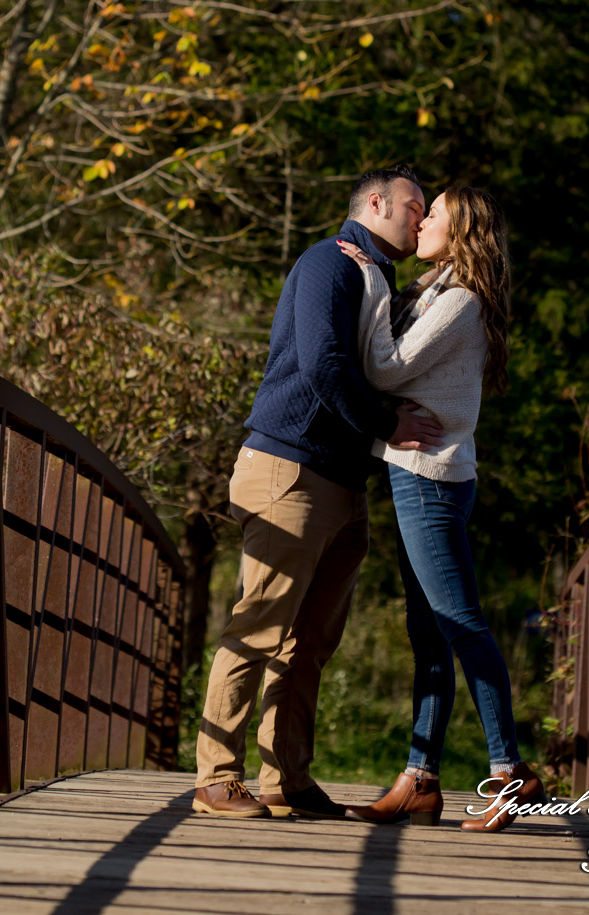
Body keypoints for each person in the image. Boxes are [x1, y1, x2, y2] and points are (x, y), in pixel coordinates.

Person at [190, 165, 445, 820]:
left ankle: (286, 779)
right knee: (260, 625)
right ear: (375, 203)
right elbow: (322, 362)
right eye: (414, 206)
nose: (421, 219)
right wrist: (388, 423)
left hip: (341, 481)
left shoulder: (373, 275)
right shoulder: (329, 263)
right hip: (290, 469)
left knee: (309, 643)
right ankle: (216, 777)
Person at [337, 185, 544, 833]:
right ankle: (420, 780)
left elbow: (385, 366)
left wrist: (371, 283)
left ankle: (510, 771)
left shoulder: (457, 301)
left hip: (429, 480)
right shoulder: (434, 293)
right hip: (420, 477)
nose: (422, 221)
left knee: (459, 624)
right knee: (429, 632)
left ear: (461, 235)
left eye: (434, 214)